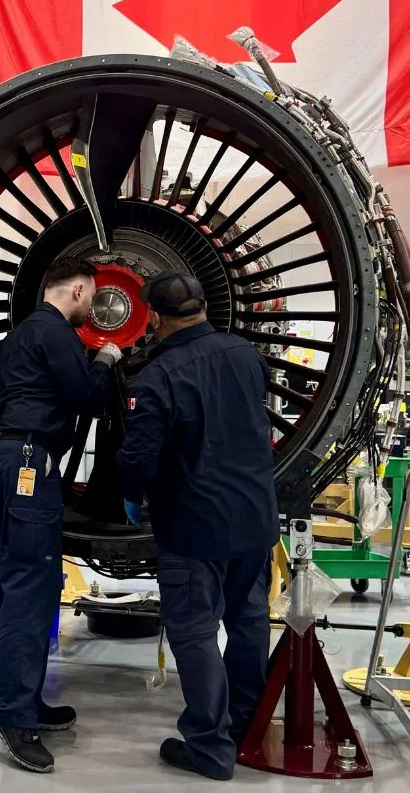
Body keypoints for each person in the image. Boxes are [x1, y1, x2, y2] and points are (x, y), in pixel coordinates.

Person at [116, 271, 278, 782]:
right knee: (249, 621)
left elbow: (139, 460)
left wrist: (126, 491)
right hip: (254, 519)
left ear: (156, 319)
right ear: (205, 306)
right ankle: (247, 725)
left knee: (194, 631)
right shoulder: (246, 355)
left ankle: (209, 745)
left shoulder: (157, 378)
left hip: (194, 525)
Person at [0, 255, 121, 773]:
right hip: (30, 464)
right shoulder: (59, 333)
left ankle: (27, 699)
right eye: (95, 298)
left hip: (6, 457)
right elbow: (87, 397)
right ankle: (14, 714)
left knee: (15, 581)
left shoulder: (21, 336)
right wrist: (104, 360)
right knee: (31, 585)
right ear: (81, 291)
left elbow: (1, 399)